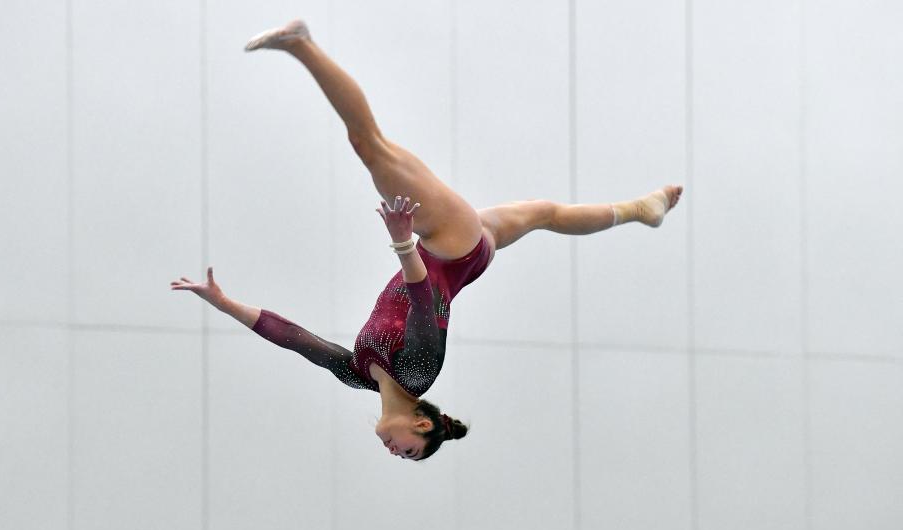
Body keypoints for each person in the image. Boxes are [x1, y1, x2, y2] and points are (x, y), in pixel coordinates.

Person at [172, 19, 682, 462]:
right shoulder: (417, 371)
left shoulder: (358, 372)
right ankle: (301, 42)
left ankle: (641, 208)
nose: (397, 454)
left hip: (460, 255)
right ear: (420, 423)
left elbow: (291, 336)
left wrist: (222, 303)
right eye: (412, 451)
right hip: (450, 247)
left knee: (544, 214)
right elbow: (423, 300)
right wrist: (402, 243)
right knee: (369, 145)